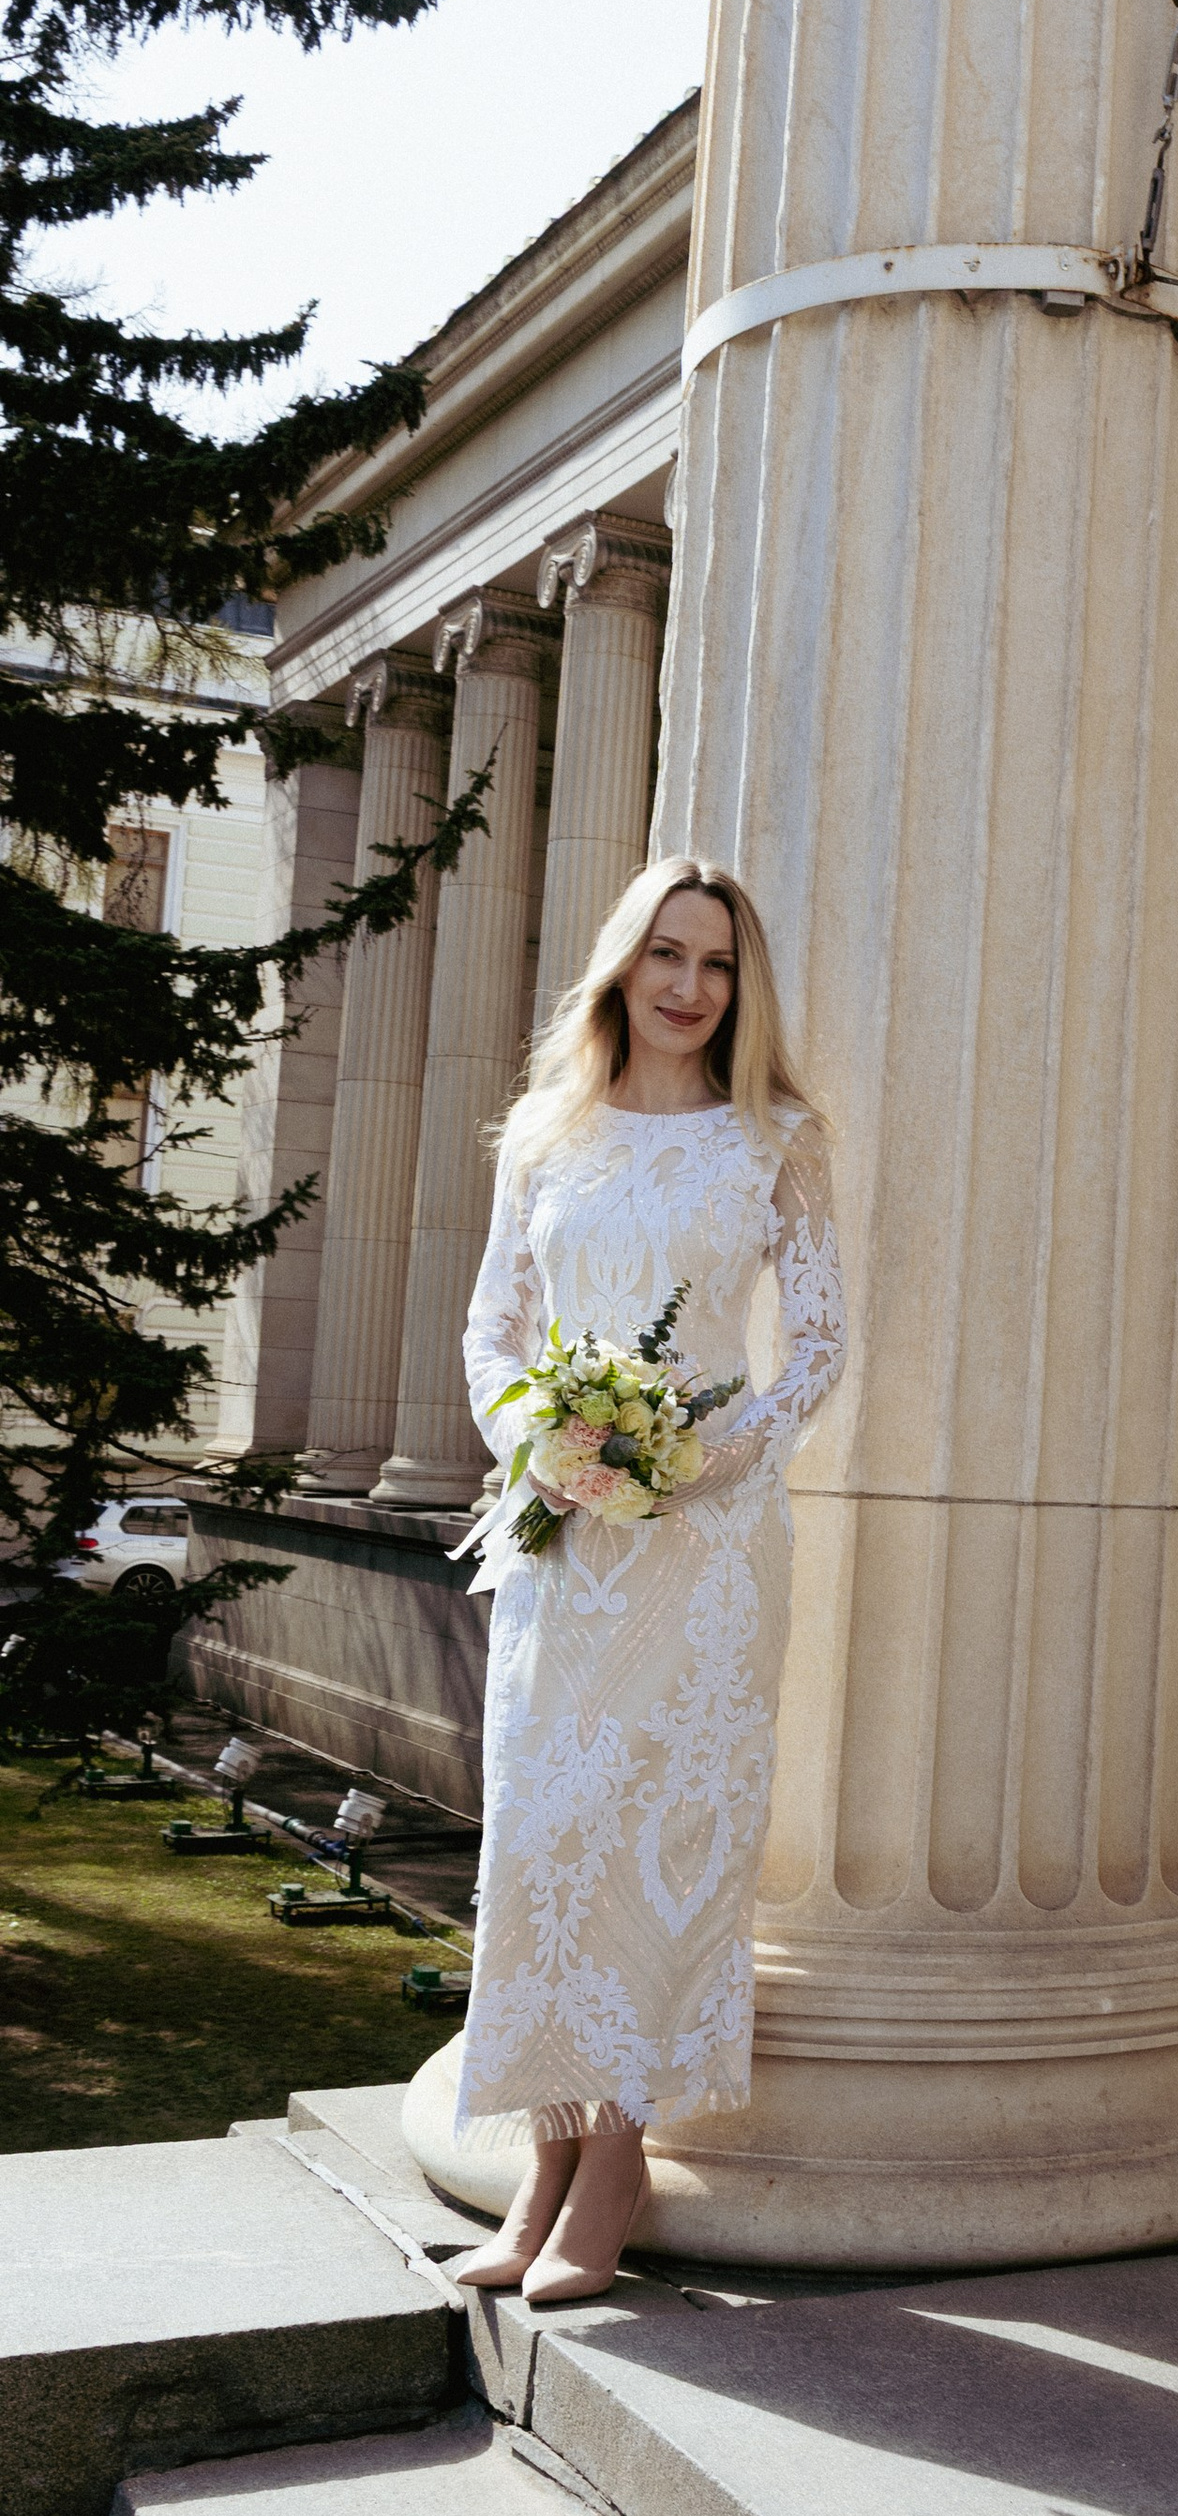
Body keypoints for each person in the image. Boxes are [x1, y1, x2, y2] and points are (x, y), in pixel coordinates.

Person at [448, 856, 845, 2305]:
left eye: (718, 963)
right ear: (621, 963)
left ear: (745, 986)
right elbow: (495, 1327)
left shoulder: (776, 1140)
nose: (689, 986)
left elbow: (816, 1345)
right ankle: (543, 2157)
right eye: (666, 954)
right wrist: (542, 1445)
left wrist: (702, 1459)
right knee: (549, 1838)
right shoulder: (545, 1134)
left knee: (659, 1835)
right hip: (564, 1543)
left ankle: (615, 2163)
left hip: (708, 1552)